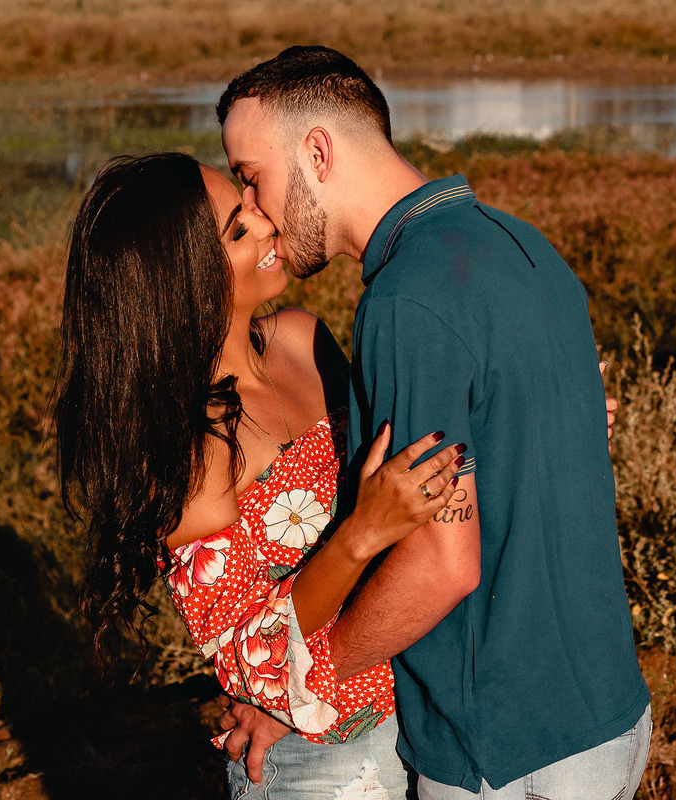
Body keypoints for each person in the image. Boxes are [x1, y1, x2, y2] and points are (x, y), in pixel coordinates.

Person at [216, 46, 651, 799]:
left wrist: (297, 688)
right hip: (606, 713)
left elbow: (442, 564)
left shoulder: (405, 302)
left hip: (503, 748)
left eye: (252, 177)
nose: (254, 208)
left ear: (317, 152)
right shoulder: (521, 244)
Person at [52, 151, 468, 798]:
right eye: (238, 230)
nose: (268, 223)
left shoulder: (303, 340)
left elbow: (421, 473)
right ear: (183, 279)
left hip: (424, 710)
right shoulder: (189, 448)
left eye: (248, 204)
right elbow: (246, 649)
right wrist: (361, 534)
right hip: (319, 762)